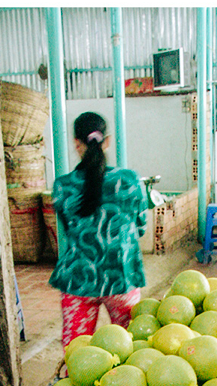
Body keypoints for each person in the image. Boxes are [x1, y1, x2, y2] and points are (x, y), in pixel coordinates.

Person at [49, 111, 148, 347]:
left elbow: (69, 231)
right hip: (121, 277)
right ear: (108, 141)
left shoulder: (63, 186)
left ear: (76, 143)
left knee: (77, 353)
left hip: (78, 280)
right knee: (130, 349)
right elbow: (140, 227)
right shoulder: (130, 180)